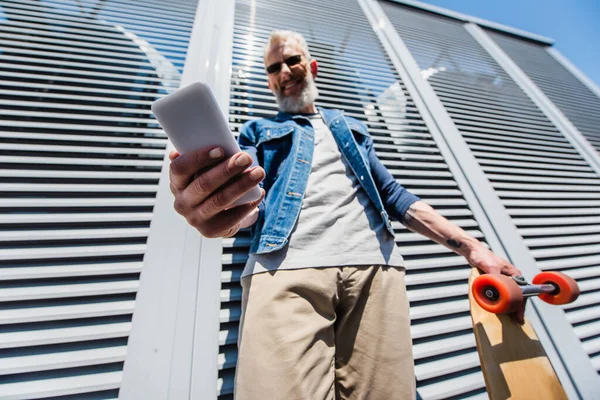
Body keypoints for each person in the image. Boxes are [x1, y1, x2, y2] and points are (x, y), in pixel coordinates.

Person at [168, 30, 524, 400]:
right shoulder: (258, 131)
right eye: (274, 68)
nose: (285, 72)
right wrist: (216, 205)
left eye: (292, 61)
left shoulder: (351, 128)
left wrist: (473, 248)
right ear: (269, 80)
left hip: (376, 271)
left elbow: (396, 197)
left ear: (312, 66)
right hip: (284, 272)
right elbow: (244, 203)